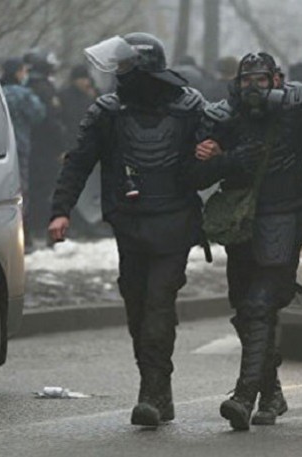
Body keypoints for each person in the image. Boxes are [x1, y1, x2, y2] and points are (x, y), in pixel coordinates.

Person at [48, 33, 213, 427]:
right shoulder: (109, 110)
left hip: (174, 224)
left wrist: (213, 152)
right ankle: (157, 386)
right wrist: (61, 210)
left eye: (125, 67)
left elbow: (218, 156)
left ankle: (152, 395)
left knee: (158, 305)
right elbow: (79, 161)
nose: (119, 74)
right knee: (138, 308)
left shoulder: (190, 107)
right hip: (131, 223)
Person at [195, 52, 302, 431]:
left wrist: (293, 96)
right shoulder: (225, 117)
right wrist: (219, 159)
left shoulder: (295, 113)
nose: (254, 87)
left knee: (259, 303)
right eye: (247, 79)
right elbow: (197, 175)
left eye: (261, 80)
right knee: (245, 309)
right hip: (243, 226)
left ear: (276, 80)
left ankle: (244, 395)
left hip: (285, 218)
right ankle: (272, 392)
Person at [0, 57, 47, 251]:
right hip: (20, 147)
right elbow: (39, 114)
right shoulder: (24, 94)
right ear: (18, 72)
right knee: (21, 192)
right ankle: (23, 237)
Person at [24, 47, 66, 241]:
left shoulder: (26, 86)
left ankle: (32, 230)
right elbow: (52, 122)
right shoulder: (44, 89)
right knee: (46, 192)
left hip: (29, 149)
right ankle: (44, 233)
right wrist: (60, 147)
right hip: (45, 151)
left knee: (32, 192)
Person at [59, 64, 99, 151]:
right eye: (82, 79)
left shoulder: (92, 95)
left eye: (86, 79)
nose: (85, 82)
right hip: (71, 141)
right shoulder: (65, 96)